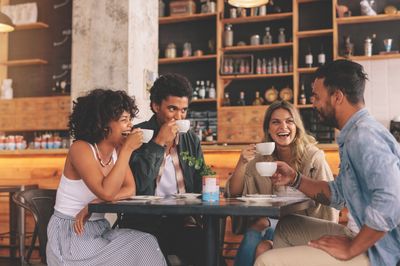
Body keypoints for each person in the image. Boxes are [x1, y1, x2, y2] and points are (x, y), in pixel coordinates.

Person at [255, 59, 400, 266]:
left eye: (317, 96)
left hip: (381, 251)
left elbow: (392, 199)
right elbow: (339, 195)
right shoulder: (354, 133)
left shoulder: (364, 136)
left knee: (265, 260)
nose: (313, 103)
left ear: (337, 97)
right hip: (360, 234)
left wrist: (352, 247)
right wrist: (295, 179)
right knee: (287, 227)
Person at [46, 89, 167, 266]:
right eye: (124, 120)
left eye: (130, 120)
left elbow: (130, 189)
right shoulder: (81, 149)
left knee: (146, 242)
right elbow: (107, 193)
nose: (130, 126)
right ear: (102, 124)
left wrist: (94, 204)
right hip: (72, 234)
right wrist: (128, 149)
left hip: (99, 230)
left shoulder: (116, 152)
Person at [226, 100, 339, 266]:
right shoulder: (262, 158)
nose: (283, 127)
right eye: (276, 122)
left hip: (306, 226)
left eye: (289, 121)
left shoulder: (313, 157)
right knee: (255, 231)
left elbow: (329, 202)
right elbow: (234, 192)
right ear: (268, 130)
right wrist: (241, 162)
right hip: (274, 222)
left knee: (263, 245)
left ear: (297, 127)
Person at [121, 73, 205, 265]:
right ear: (156, 106)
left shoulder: (190, 139)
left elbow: (201, 179)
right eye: (172, 109)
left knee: (209, 254)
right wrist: (158, 143)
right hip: (146, 222)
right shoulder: (138, 136)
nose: (179, 116)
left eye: (184, 111)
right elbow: (138, 187)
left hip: (183, 221)